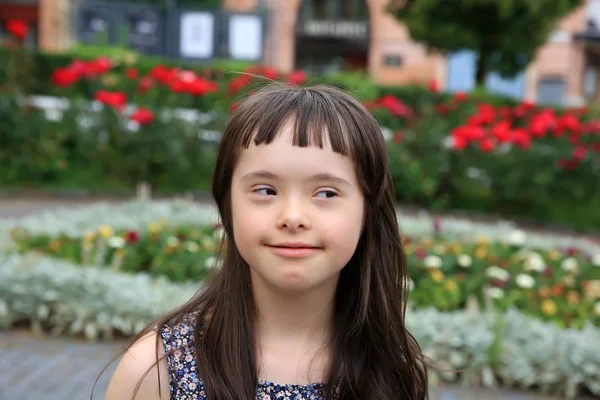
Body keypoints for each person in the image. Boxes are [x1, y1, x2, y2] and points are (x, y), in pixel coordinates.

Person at [103, 83, 429, 399]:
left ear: (367, 212)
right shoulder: (157, 369)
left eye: (326, 193)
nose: (292, 216)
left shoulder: (391, 368)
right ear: (227, 203)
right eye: (265, 190)